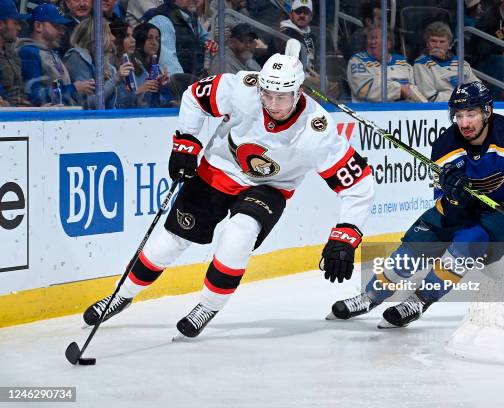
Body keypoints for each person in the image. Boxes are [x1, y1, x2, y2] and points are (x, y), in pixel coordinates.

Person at [81, 39, 375, 339]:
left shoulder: (317, 131)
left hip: (269, 186)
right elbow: (195, 96)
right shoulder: (243, 89)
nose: (272, 105)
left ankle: (207, 306)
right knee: (169, 243)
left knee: (240, 232)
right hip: (219, 170)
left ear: (299, 92)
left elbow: (359, 183)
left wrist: (346, 234)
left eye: (281, 98)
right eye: (267, 95)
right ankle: (123, 294)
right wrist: (186, 142)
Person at [328, 81, 504, 329]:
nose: (464, 123)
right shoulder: (446, 146)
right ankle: (370, 297)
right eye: (458, 115)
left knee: (467, 243)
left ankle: (419, 301)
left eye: (471, 114)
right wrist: (454, 195)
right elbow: (444, 201)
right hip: (465, 206)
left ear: (487, 112)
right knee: (411, 251)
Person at [17, 3, 95, 106]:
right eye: (57, 26)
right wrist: (73, 88)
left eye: (63, 27)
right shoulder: (29, 53)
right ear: (38, 26)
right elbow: (33, 95)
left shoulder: (52, 52)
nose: (62, 32)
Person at [63, 17, 132, 109]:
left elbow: (120, 103)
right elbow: (86, 103)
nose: (113, 37)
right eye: (108, 33)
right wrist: (115, 79)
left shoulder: (107, 65)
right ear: (96, 36)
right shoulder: (77, 57)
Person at [347, 26, 425, 102]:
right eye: (369, 38)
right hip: (371, 112)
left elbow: (414, 89)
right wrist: (399, 90)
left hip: (405, 110)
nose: (372, 42)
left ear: (389, 44)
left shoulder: (402, 61)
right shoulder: (358, 60)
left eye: (375, 38)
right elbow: (364, 89)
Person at [414, 21, 480, 102]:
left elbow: (478, 89)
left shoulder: (461, 63)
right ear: (427, 43)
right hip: (439, 110)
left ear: (449, 45)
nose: (437, 45)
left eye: (442, 42)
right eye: (433, 41)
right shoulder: (421, 65)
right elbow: (430, 98)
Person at [0, 0, 31, 106]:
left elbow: (21, 91)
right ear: (1, 24)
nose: (19, 28)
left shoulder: (12, 53)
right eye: (15, 23)